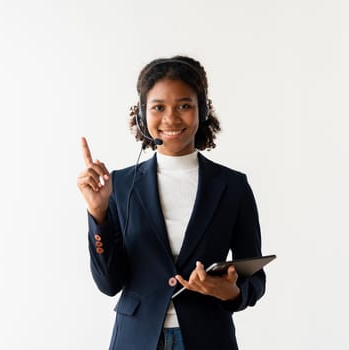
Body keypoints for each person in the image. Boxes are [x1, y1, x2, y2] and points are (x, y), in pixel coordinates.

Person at [77, 56, 266, 350]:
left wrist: (229, 292)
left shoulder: (233, 186)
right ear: (142, 115)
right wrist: (98, 213)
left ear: (202, 110)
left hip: (208, 338)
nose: (171, 118)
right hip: (136, 338)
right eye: (158, 107)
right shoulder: (120, 185)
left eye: (184, 106)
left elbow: (254, 281)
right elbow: (108, 284)